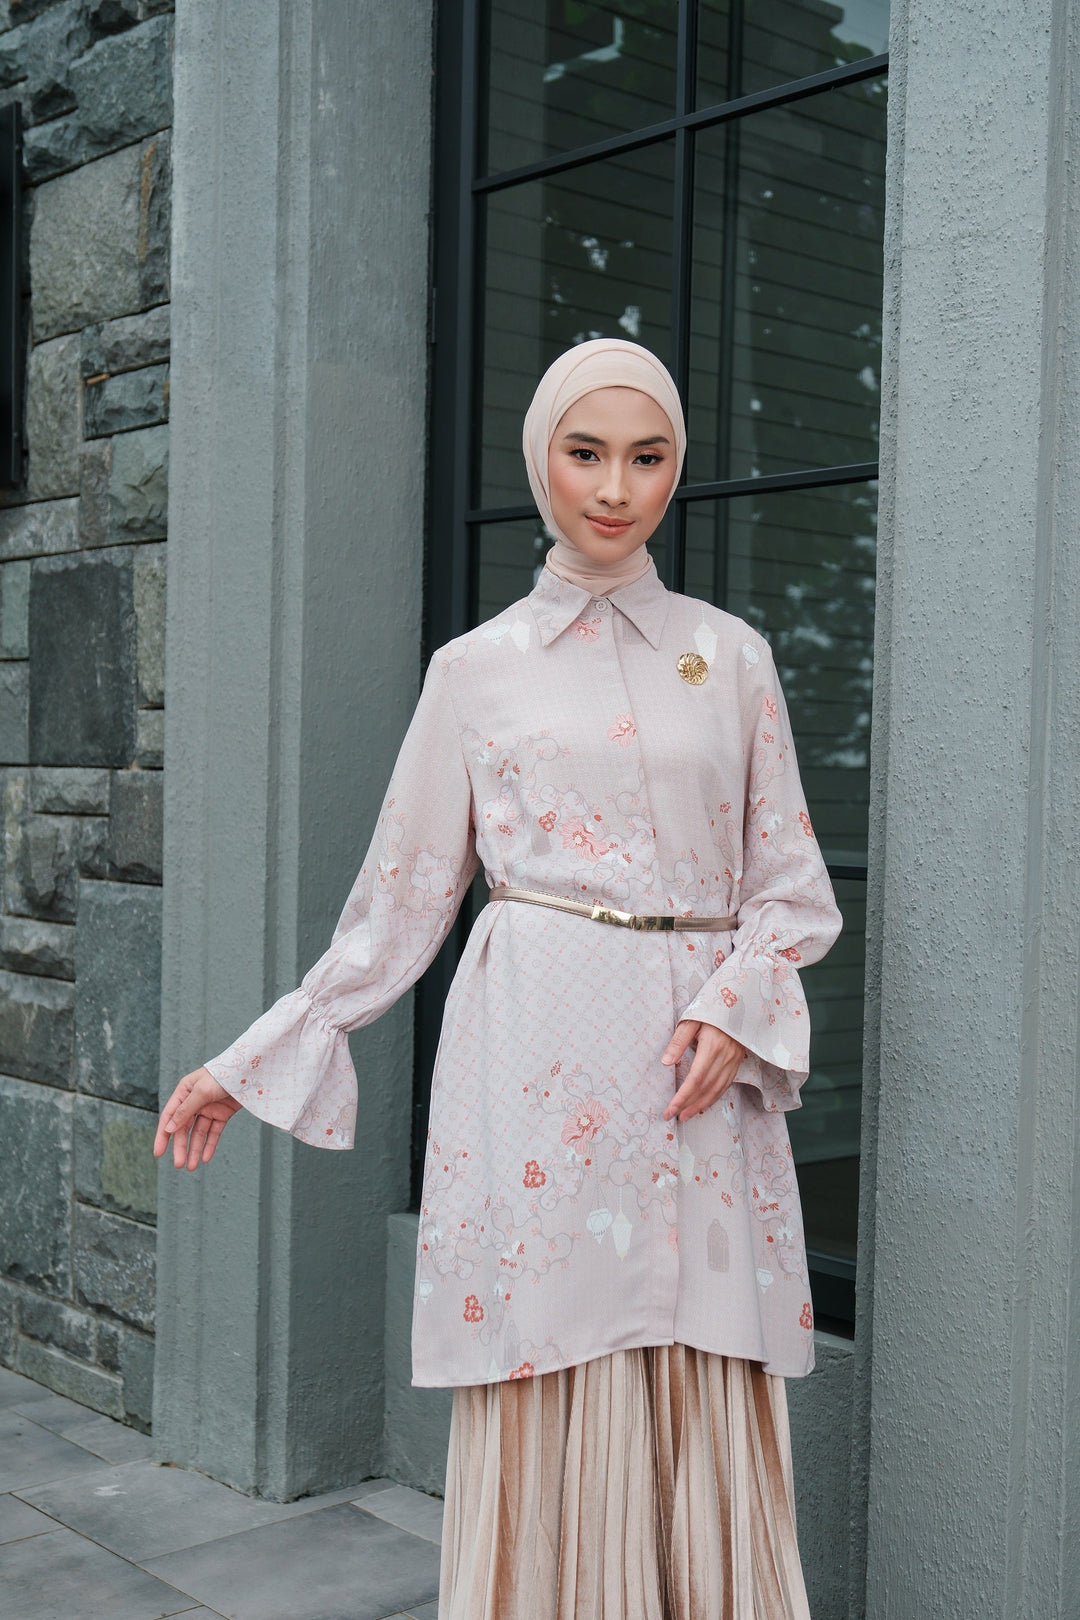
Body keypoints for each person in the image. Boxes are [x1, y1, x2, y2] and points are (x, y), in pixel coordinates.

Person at [155, 338, 842, 1619]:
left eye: (648, 457)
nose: (616, 488)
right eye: (586, 453)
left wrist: (739, 1006)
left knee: (697, 1340)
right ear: (541, 461)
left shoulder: (732, 656)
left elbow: (791, 887)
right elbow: (400, 899)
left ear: (676, 468)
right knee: (551, 1343)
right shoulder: (474, 671)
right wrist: (251, 1060)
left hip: (699, 1074)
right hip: (540, 1064)